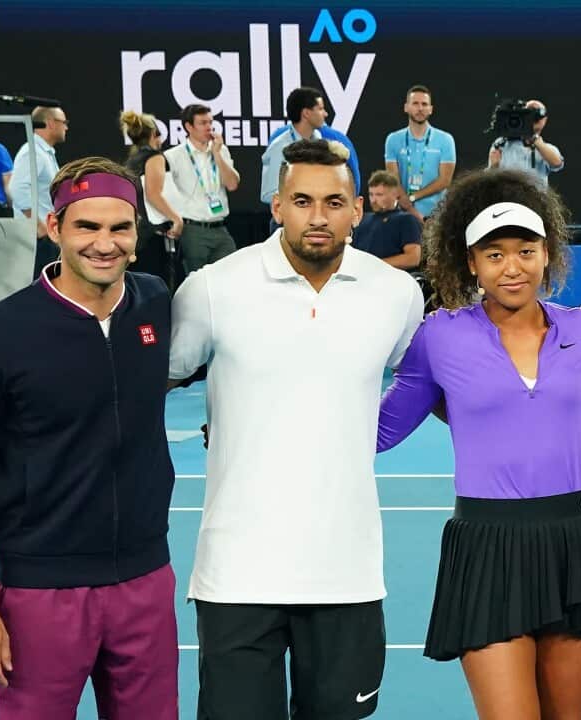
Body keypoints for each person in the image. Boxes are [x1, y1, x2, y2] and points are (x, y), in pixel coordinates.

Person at [169, 139, 423, 720]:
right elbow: (150, 381)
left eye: (334, 202)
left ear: (357, 210)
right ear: (277, 205)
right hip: (238, 574)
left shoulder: (397, 294)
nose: (318, 216)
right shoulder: (213, 288)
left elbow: (426, 381)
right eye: (302, 200)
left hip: (347, 573)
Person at [0, 157, 178, 718]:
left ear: (137, 234)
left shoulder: (154, 303)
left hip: (145, 583)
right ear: (54, 228)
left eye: (119, 227)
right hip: (40, 594)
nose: (104, 243)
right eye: (86, 227)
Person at [376, 168, 581, 719]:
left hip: (574, 542)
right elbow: (382, 430)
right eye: (493, 254)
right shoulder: (439, 334)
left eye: (525, 250)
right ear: (470, 263)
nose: (512, 267)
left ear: (547, 253)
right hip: (488, 546)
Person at [163, 103, 240, 273]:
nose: (209, 127)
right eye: (203, 123)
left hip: (220, 227)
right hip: (193, 229)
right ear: (189, 126)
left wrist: (218, 155)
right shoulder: (173, 155)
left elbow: (232, 184)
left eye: (210, 122)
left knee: (231, 275)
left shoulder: (221, 150)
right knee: (196, 281)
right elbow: (165, 193)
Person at [120, 110, 182, 287]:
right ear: (154, 134)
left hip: (137, 233)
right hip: (151, 235)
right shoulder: (154, 157)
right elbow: (153, 193)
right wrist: (176, 219)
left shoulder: (132, 160)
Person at [9, 106, 68, 278]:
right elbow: (17, 189)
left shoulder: (45, 153)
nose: (67, 127)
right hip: (36, 239)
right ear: (50, 123)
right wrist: (38, 226)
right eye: (64, 122)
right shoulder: (32, 151)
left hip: (44, 238)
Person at [385, 85, 456, 221]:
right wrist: (411, 210)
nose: (420, 108)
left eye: (424, 104)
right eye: (415, 103)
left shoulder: (445, 139)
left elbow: (445, 180)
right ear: (406, 107)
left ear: (431, 109)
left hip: (437, 215)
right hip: (403, 213)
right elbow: (393, 179)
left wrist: (413, 197)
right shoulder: (393, 139)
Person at [353, 170, 423, 270]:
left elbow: (413, 258)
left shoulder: (406, 220)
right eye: (371, 194)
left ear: (395, 195)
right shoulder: (363, 219)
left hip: (390, 280)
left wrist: (373, 266)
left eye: (379, 195)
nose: (373, 200)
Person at [487, 99, 564, 188]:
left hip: (535, 198)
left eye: (536, 115)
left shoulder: (546, 149)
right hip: (508, 197)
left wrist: (536, 141)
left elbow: (557, 163)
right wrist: (493, 166)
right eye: (529, 113)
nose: (533, 118)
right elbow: (490, 177)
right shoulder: (502, 144)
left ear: (544, 120)